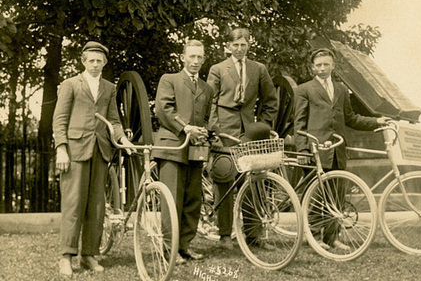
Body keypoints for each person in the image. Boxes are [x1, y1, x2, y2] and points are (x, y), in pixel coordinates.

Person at [53, 41, 135, 277]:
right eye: (92, 60)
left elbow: (114, 120)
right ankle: (66, 257)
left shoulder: (109, 88)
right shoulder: (70, 85)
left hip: (101, 151)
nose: (96, 64)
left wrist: (123, 140)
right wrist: (61, 148)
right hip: (75, 151)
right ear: (83, 61)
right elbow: (59, 120)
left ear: (105, 63)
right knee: (73, 205)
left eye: (100, 61)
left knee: (97, 206)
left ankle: (89, 254)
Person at [294, 47, 390, 250]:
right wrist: (303, 150)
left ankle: (332, 237)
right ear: (312, 67)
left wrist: (376, 121)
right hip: (315, 150)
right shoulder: (304, 90)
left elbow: (351, 118)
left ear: (333, 65)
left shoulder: (340, 89)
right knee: (316, 195)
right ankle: (313, 237)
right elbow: (299, 124)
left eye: (326, 64)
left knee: (337, 196)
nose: (322, 68)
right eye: (318, 65)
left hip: (337, 149)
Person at [207, 28, 278, 250]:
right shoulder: (217, 69)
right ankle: (225, 235)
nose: (239, 49)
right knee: (225, 180)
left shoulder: (259, 69)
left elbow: (270, 101)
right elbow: (210, 102)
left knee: (254, 181)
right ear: (228, 46)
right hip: (224, 134)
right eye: (235, 45)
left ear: (249, 45)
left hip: (250, 134)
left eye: (243, 44)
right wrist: (214, 131)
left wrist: (261, 126)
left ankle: (254, 235)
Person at [153, 39, 213, 263]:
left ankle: (184, 246)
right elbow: (163, 109)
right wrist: (185, 127)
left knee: (192, 200)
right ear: (183, 58)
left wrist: (203, 131)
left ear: (204, 59)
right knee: (172, 199)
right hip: (172, 147)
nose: (195, 61)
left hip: (195, 150)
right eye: (192, 56)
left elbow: (206, 117)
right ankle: (169, 249)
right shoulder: (169, 80)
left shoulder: (207, 88)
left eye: (200, 57)